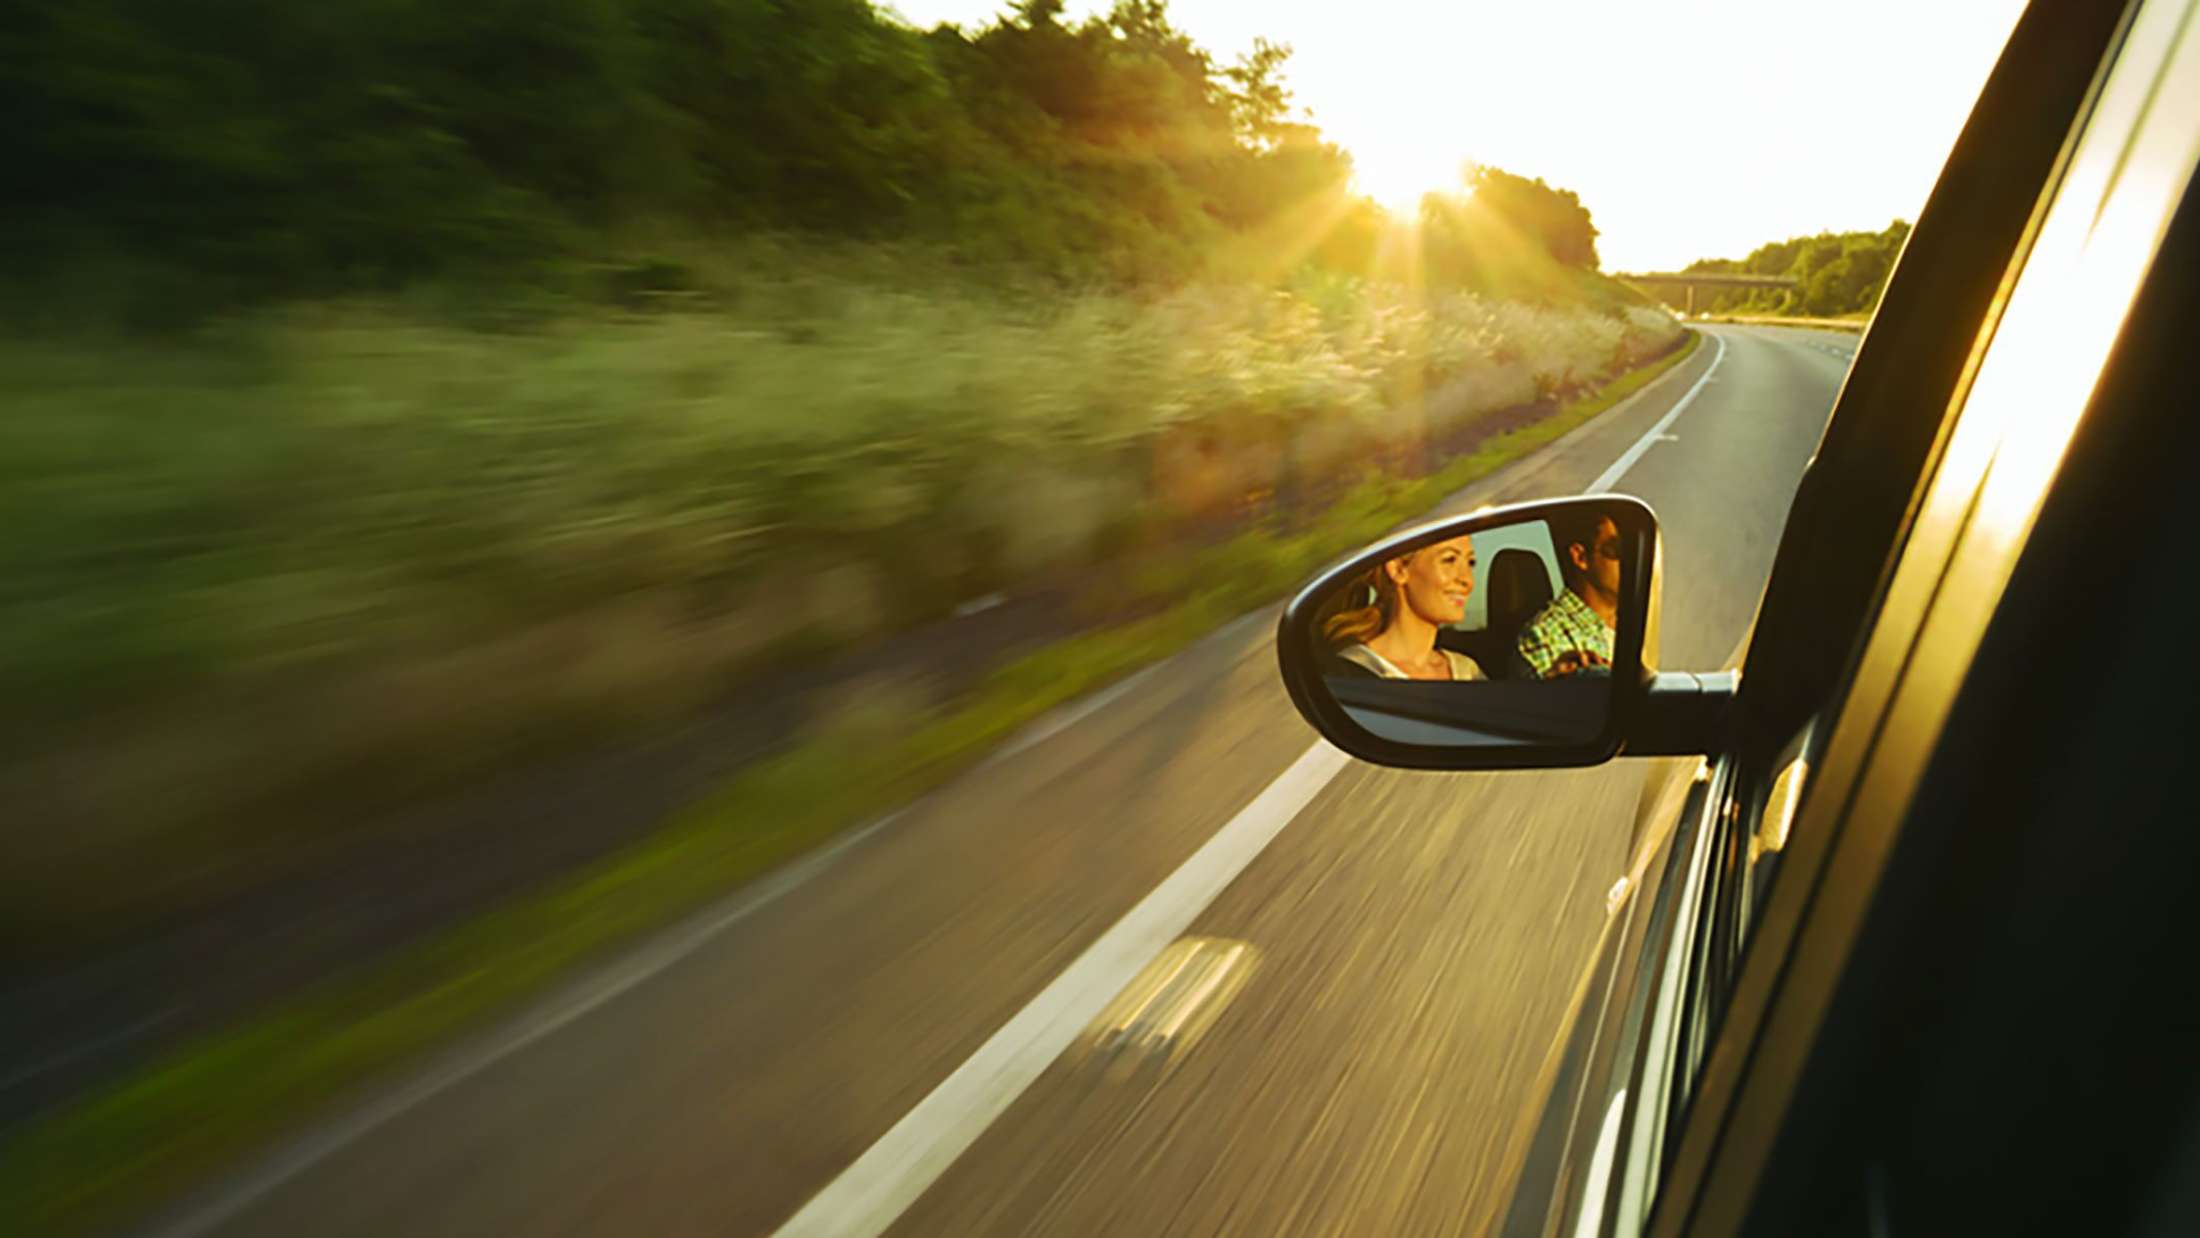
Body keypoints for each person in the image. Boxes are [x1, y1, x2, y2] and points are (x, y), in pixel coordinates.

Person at [1321, 535, 1487, 680]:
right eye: (1449, 560)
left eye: (1470, 562)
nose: (1468, 581)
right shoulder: (1350, 672)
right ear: (1399, 570)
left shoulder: (1468, 671)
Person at [1515, 512, 1619, 679]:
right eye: (1617, 548)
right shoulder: (1545, 635)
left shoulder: (1642, 619)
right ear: (1581, 557)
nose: (1631, 559)